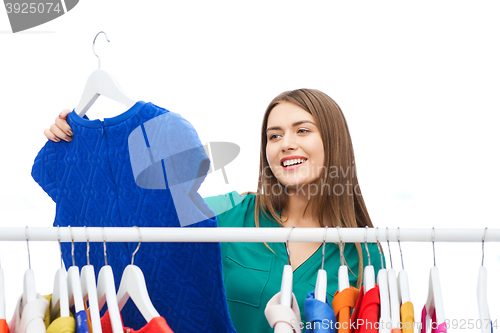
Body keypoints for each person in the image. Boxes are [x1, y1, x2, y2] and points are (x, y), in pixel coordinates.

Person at [44, 88, 384, 333]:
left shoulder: (361, 251)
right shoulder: (230, 213)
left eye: (302, 130)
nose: (285, 143)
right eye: (274, 135)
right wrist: (83, 145)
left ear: (334, 142)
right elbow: (143, 214)